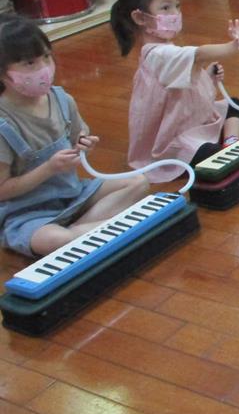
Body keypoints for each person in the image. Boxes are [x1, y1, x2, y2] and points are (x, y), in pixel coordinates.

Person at [0, 15, 148, 257]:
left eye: (46, 57)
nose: (43, 68)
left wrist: (84, 145)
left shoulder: (61, 99)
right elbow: (3, 190)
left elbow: (79, 137)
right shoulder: (3, 124)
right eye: (29, 63)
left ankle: (79, 232)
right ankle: (83, 233)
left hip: (74, 194)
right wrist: (48, 168)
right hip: (28, 215)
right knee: (54, 239)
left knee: (138, 182)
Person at [111, 0, 239, 183]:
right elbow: (199, 54)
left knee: (235, 104)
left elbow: (185, 80)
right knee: (207, 153)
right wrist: (232, 47)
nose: (175, 13)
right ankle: (224, 148)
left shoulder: (165, 49)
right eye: (165, 8)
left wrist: (208, 75)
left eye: (177, 6)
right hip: (175, 138)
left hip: (194, 120)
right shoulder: (157, 54)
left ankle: (231, 143)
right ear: (140, 17)